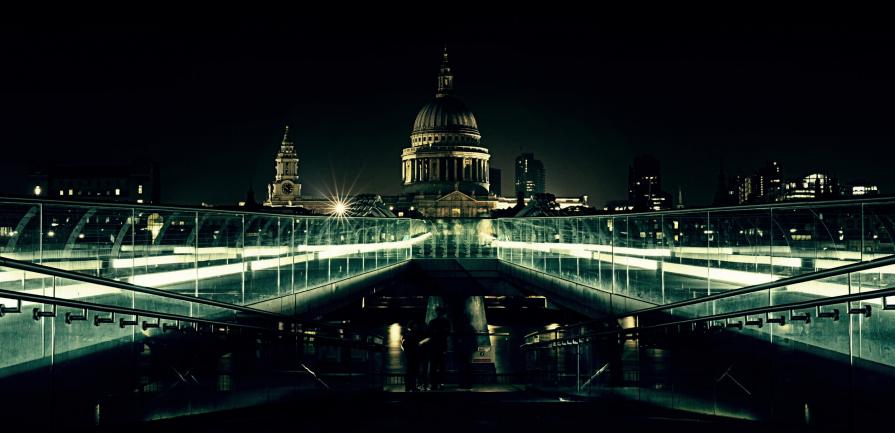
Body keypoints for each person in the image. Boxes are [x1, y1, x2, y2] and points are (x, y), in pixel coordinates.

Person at [426, 307, 452, 391]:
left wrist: (435, 332)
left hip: (433, 346)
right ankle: (440, 383)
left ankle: (433, 384)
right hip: (441, 346)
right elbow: (447, 333)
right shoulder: (446, 322)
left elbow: (429, 333)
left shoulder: (432, 322)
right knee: (441, 366)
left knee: (434, 366)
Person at [401, 320, 423, 392]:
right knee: (412, 371)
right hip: (413, 355)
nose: (416, 327)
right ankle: (412, 387)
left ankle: (409, 387)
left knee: (410, 371)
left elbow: (403, 344)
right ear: (412, 326)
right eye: (415, 325)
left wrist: (406, 351)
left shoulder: (407, 334)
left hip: (410, 355)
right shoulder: (412, 334)